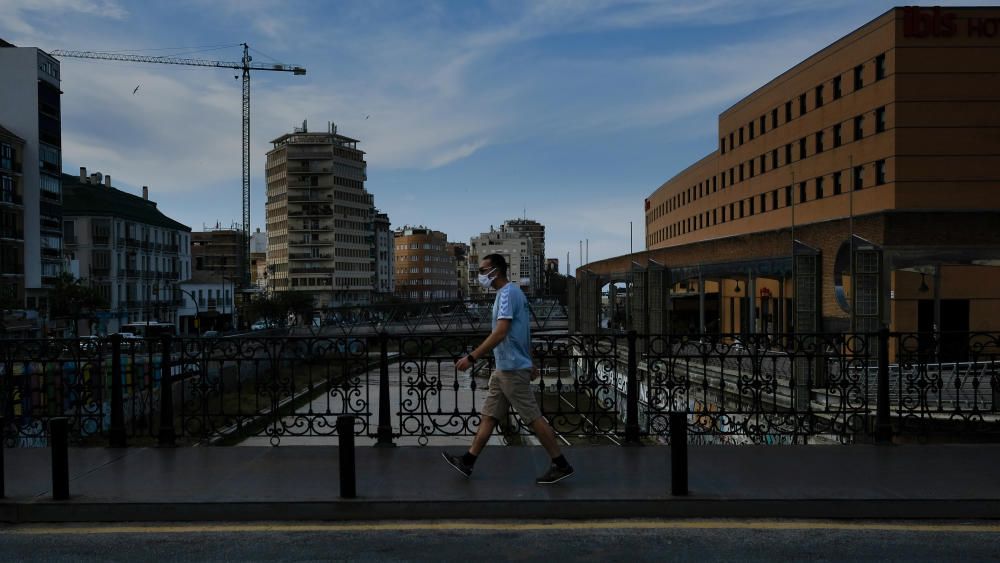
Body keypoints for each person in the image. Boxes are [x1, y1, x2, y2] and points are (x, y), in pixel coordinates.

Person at [442, 253, 574, 485]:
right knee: (489, 416)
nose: (480, 275)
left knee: (532, 417)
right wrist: (530, 361)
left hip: (511, 370)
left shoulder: (508, 294)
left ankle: (561, 464)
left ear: (496, 271)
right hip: (505, 368)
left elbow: (501, 332)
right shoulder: (509, 294)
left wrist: (472, 357)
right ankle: (468, 461)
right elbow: (523, 331)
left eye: (483, 271)